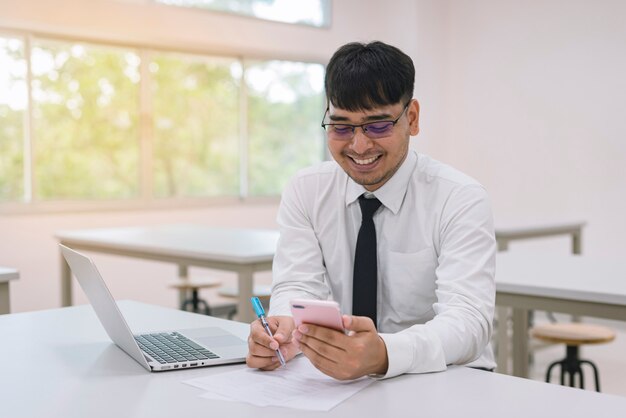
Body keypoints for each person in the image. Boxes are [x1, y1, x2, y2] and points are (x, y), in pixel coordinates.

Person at [246, 40, 496, 380]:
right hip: (343, 382)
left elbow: (468, 321)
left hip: (446, 379)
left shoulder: (459, 197)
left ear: (412, 118)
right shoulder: (307, 190)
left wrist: (384, 354)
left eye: (378, 125)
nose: (359, 145)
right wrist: (284, 328)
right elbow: (296, 285)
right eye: (341, 126)